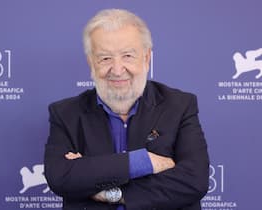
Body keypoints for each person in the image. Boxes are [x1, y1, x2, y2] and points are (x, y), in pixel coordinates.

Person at [44, 8, 209, 210]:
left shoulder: (181, 105)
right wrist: (143, 161)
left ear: (147, 58)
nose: (117, 69)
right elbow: (61, 178)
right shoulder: (65, 113)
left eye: (128, 56)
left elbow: (194, 181)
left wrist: (110, 190)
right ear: (90, 62)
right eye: (105, 58)